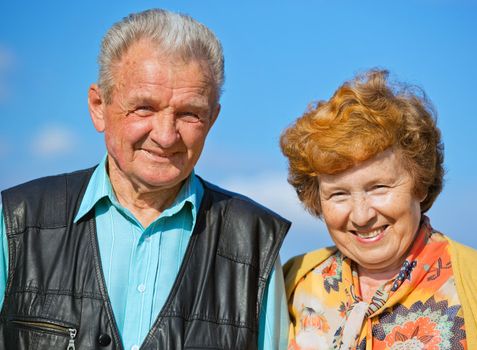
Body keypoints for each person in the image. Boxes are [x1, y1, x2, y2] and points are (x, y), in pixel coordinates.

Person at [0, 9, 290, 349]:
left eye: (189, 114)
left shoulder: (255, 241)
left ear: (212, 119)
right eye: (144, 108)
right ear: (98, 106)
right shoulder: (14, 222)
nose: (166, 136)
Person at [280, 69, 477, 349]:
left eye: (379, 188)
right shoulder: (293, 284)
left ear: (419, 184)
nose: (361, 215)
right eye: (338, 194)